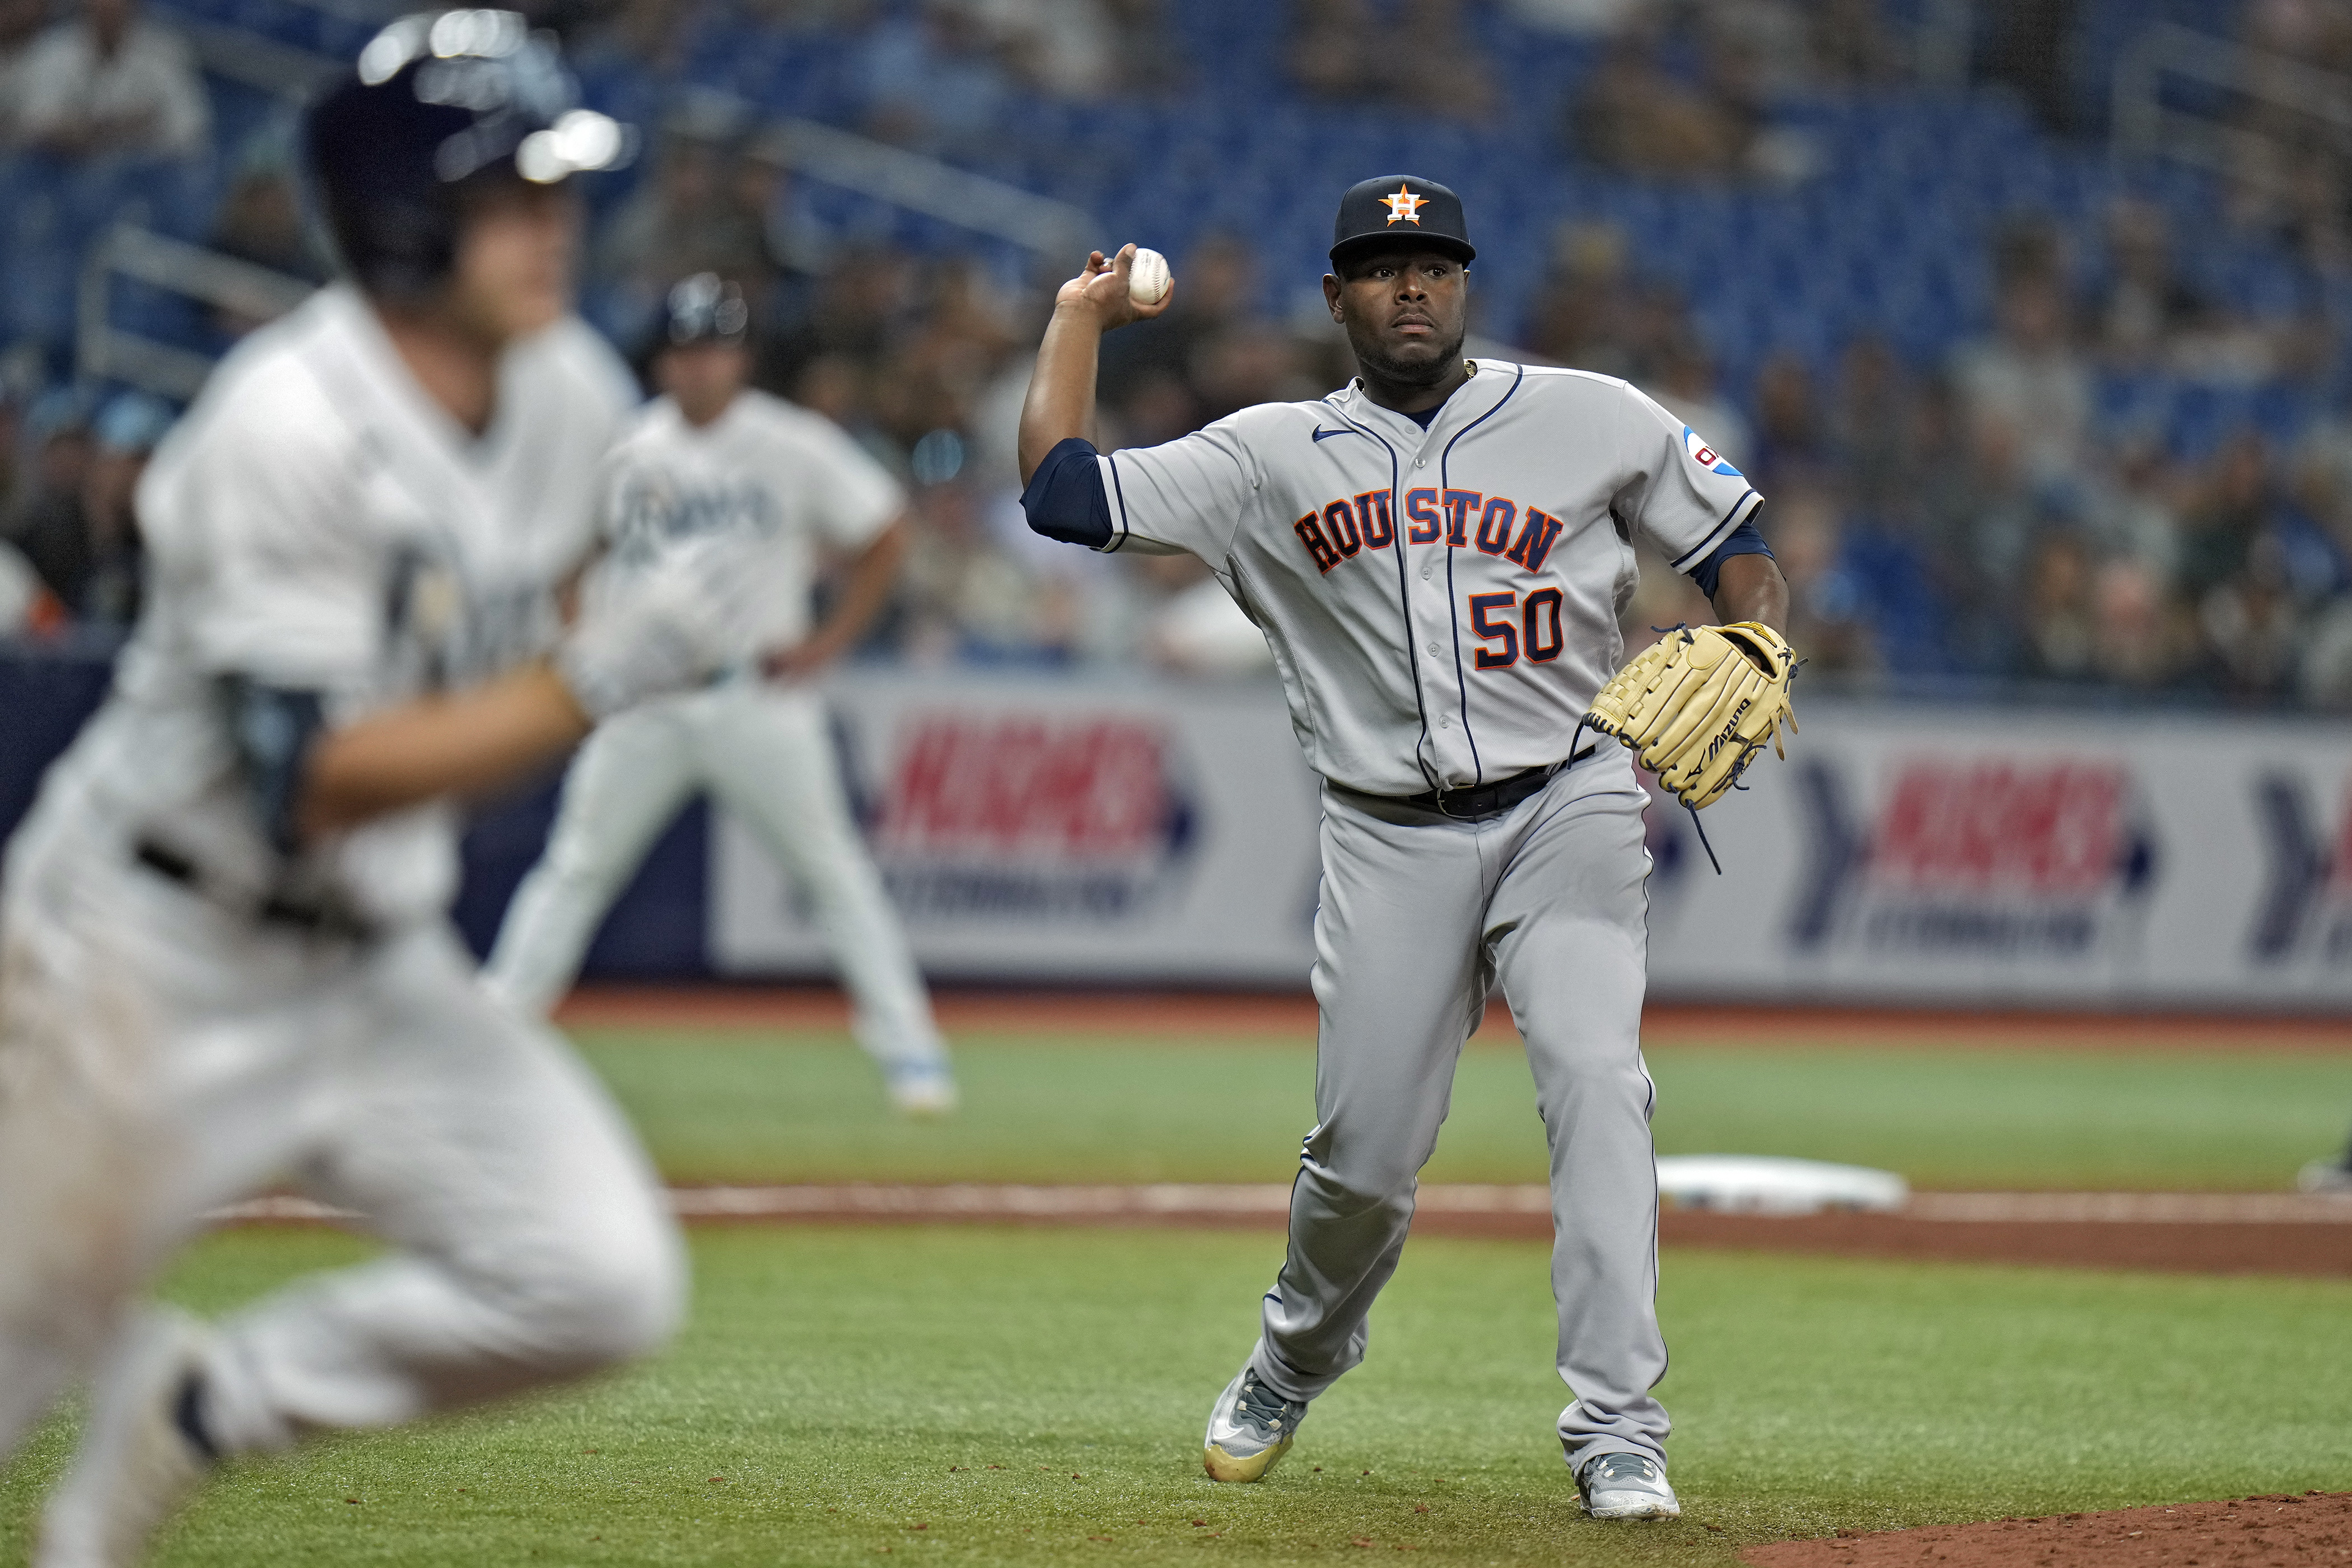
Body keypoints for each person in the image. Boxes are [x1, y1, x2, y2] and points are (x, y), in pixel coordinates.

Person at [0, 16, 751, 1566]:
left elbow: (522, 607)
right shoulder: (279, 429)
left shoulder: (565, 391)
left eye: (558, 191)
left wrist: (598, 631)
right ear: (412, 223)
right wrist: (599, 675)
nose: (559, 225)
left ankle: (204, 1405)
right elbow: (314, 784)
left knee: (596, 1274)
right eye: (515, 196)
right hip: (147, 966)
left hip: (369, 967)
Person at [1016, 176, 1789, 1522]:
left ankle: (1620, 1430)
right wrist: (1079, 321)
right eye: (1382, 267)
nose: (1412, 285)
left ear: (1467, 283)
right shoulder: (1266, 453)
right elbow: (1061, 495)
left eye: (1434, 262)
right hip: (1388, 840)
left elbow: (1740, 555)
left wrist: (1754, 636)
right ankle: (1294, 1355)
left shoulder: (1590, 413)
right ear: (1337, 297)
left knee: (1598, 1079)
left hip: (1573, 803)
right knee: (1363, 1161)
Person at [485, 273, 959, 1114]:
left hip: (756, 695)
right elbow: (565, 556)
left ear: (740, 357)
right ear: (665, 359)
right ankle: (495, 1037)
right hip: (644, 703)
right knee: (576, 867)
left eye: (716, 348)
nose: (701, 365)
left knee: (833, 873)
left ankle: (911, 1052)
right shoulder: (626, 449)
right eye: (686, 349)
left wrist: (829, 641)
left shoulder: (788, 443)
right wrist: (583, 646)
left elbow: (885, 529)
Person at [15, 0, 208, 160]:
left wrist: (137, 132)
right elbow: (33, 123)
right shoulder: (52, 50)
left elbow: (190, 129)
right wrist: (112, 127)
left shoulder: (166, 52)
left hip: (143, 178)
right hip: (63, 178)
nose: (109, 8)